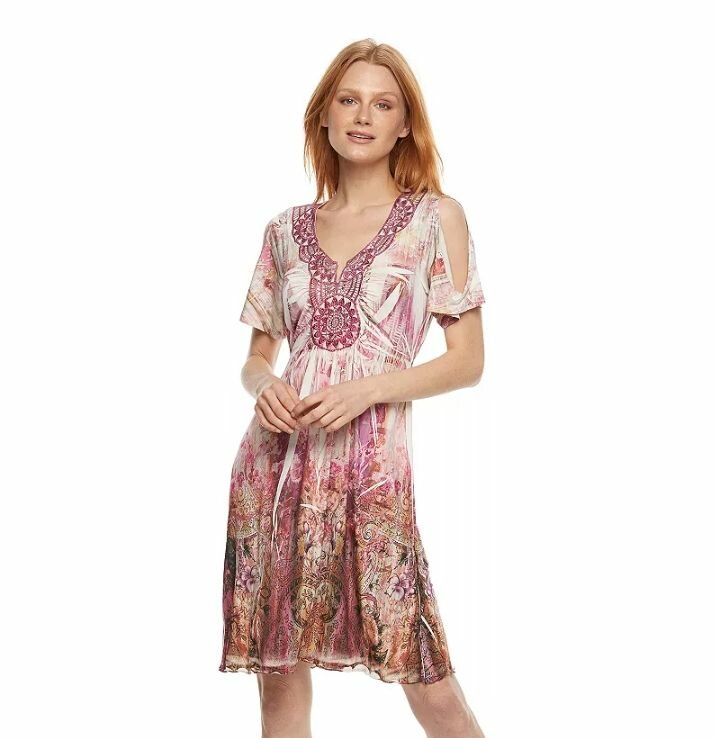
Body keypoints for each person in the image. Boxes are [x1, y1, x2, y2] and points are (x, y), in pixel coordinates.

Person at [219, 38, 488, 738]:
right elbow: (256, 356)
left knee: (428, 683)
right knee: (279, 690)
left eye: (383, 103)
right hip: (275, 467)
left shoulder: (435, 219)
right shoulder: (285, 230)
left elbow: (467, 361)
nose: (363, 116)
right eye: (348, 99)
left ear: (405, 124)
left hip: (372, 476)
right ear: (324, 115)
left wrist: (368, 390)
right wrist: (262, 385)